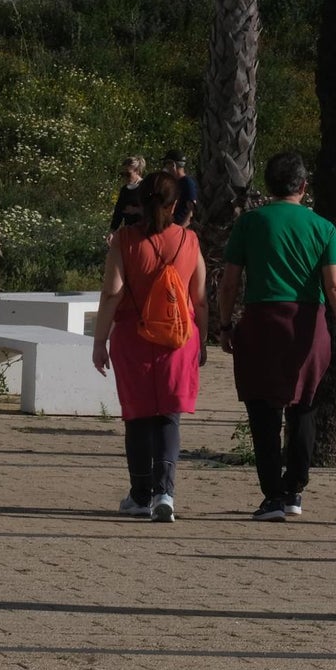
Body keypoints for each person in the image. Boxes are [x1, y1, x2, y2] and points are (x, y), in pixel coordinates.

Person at [217, 151, 336, 522]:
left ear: (269, 185)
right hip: (308, 326)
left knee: (263, 411)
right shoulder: (323, 227)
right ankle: (295, 488)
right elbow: (335, 286)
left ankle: (272, 496)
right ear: (303, 186)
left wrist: (224, 325)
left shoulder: (250, 223)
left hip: (261, 323)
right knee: (305, 406)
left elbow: (230, 281)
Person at [92, 171, 208, 523]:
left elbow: (112, 292)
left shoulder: (124, 240)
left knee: (137, 416)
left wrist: (99, 341)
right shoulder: (189, 240)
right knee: (168, 416)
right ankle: (166, 494)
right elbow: (200, 299)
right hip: (178, 338)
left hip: (133, 336)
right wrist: (201, 338)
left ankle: (140, 495)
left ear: (139, 203)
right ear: (176, 205)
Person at [108, 155, 146, 235]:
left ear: (137, 171)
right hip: (129, 231)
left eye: (128, 174)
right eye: (122, 174)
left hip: (144, 231)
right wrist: (112, 232)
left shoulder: (146, 187)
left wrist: (136, 210)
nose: (125, 177)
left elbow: (153, 210)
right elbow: (118, 213)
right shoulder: (124, 190)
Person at [162, 149, 198, 227]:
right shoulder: (172, 182)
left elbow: (191, 211)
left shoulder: (187, 183)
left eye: (166, 164)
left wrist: (180, 229)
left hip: (180, 228)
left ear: (173, 165)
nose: (165, 168)